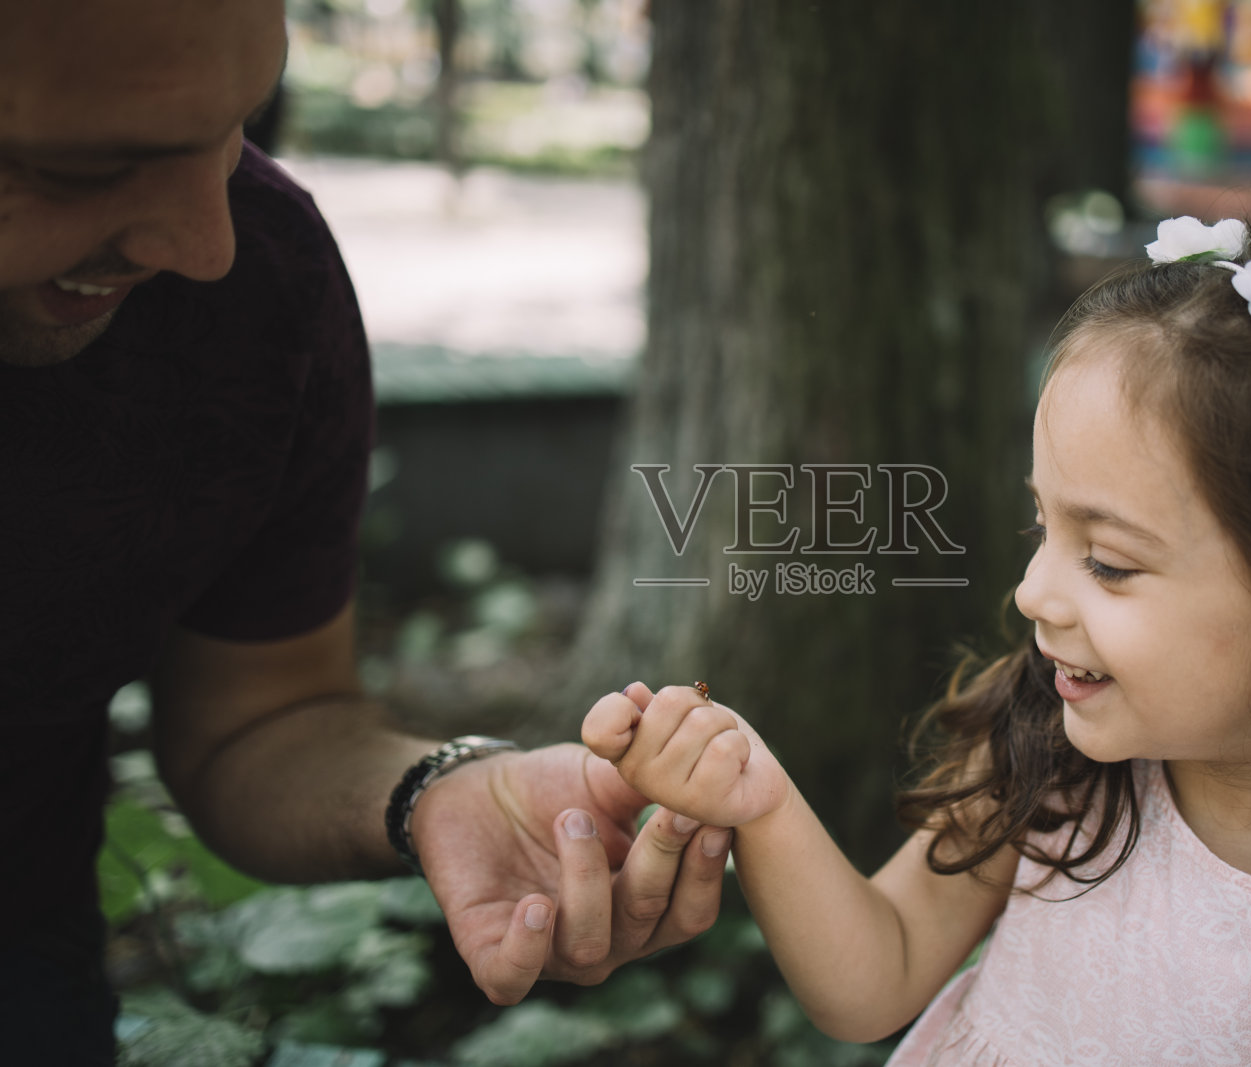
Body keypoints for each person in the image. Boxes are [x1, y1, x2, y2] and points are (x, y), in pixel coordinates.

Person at [585, 217, 1251, 1064]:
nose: (1033, 592)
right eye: (1042, 527)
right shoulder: (1046, 765)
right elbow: (875, 972)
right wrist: (757, 796)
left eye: (1108, 561)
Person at [0, 1, 725, 1062]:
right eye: (91, 168)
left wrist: (442, 789)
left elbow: (263, 714)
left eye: (240, 127)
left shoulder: (261, 281)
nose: (206, 243)